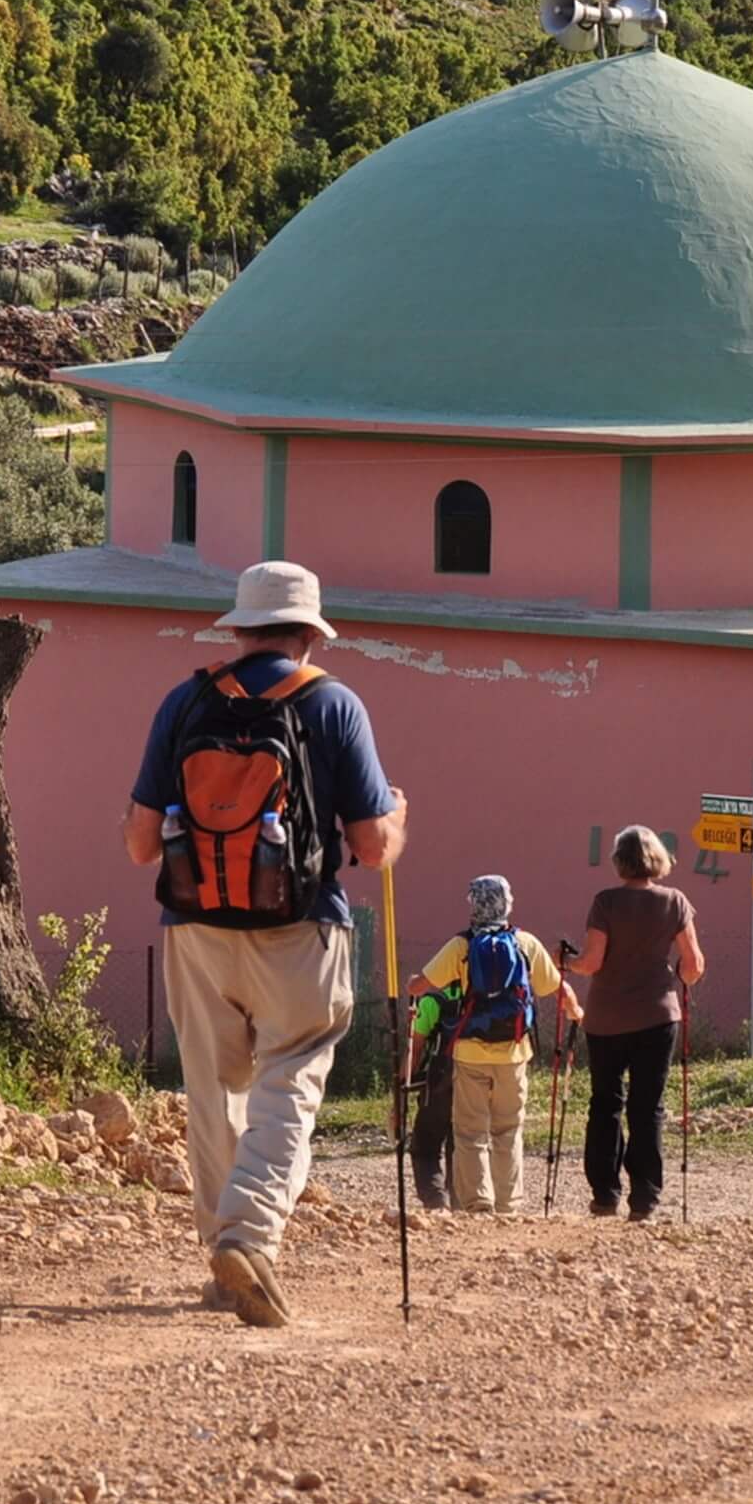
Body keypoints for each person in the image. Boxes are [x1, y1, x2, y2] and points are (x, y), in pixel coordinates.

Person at [122, 559, 405, 1329]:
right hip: (302, 926)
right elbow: (374, 847)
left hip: (195, 927)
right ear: (311, 636)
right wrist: (400, 815)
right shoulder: (334, 704)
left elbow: (142, 846)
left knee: (214, 1094)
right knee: (291, 1078)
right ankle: (248, 1238)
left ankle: (222, 1259)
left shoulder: (185, 700)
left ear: (239, 629)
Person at [405, 876, 577, 1215]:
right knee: (508, 1128)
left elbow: (421, 986)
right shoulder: (525, 943)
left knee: (470, 1130)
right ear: (507, 904)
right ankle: (508, 1202)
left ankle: (476, 1201)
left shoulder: (462, 946)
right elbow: (560, 991)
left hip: (469, 1052)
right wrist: (576, 1013)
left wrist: (412, 983)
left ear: (473, 905)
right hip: (514, 1053)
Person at [568, 826, 704, 1220]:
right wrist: (677, 972)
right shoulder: (676, 902)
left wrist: (568, 962)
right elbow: (692, 967)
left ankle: (605, 1195)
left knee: (606, 1104)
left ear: (620, 861)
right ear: (657, 859)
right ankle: (645, 1199)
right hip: (658, 1018)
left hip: (606, 1018)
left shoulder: (605, 902)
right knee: (648, 1107)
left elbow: (592, 963)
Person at [400, 973, 461, 1211]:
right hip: (477, 1083)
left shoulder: (433, 1001)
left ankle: (436, 1202)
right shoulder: (480, 1000)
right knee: (464, 1144)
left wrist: (400, 1094)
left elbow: (414, 1049)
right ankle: (462, 1202)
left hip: (439, 1084)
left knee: (425, 1146)